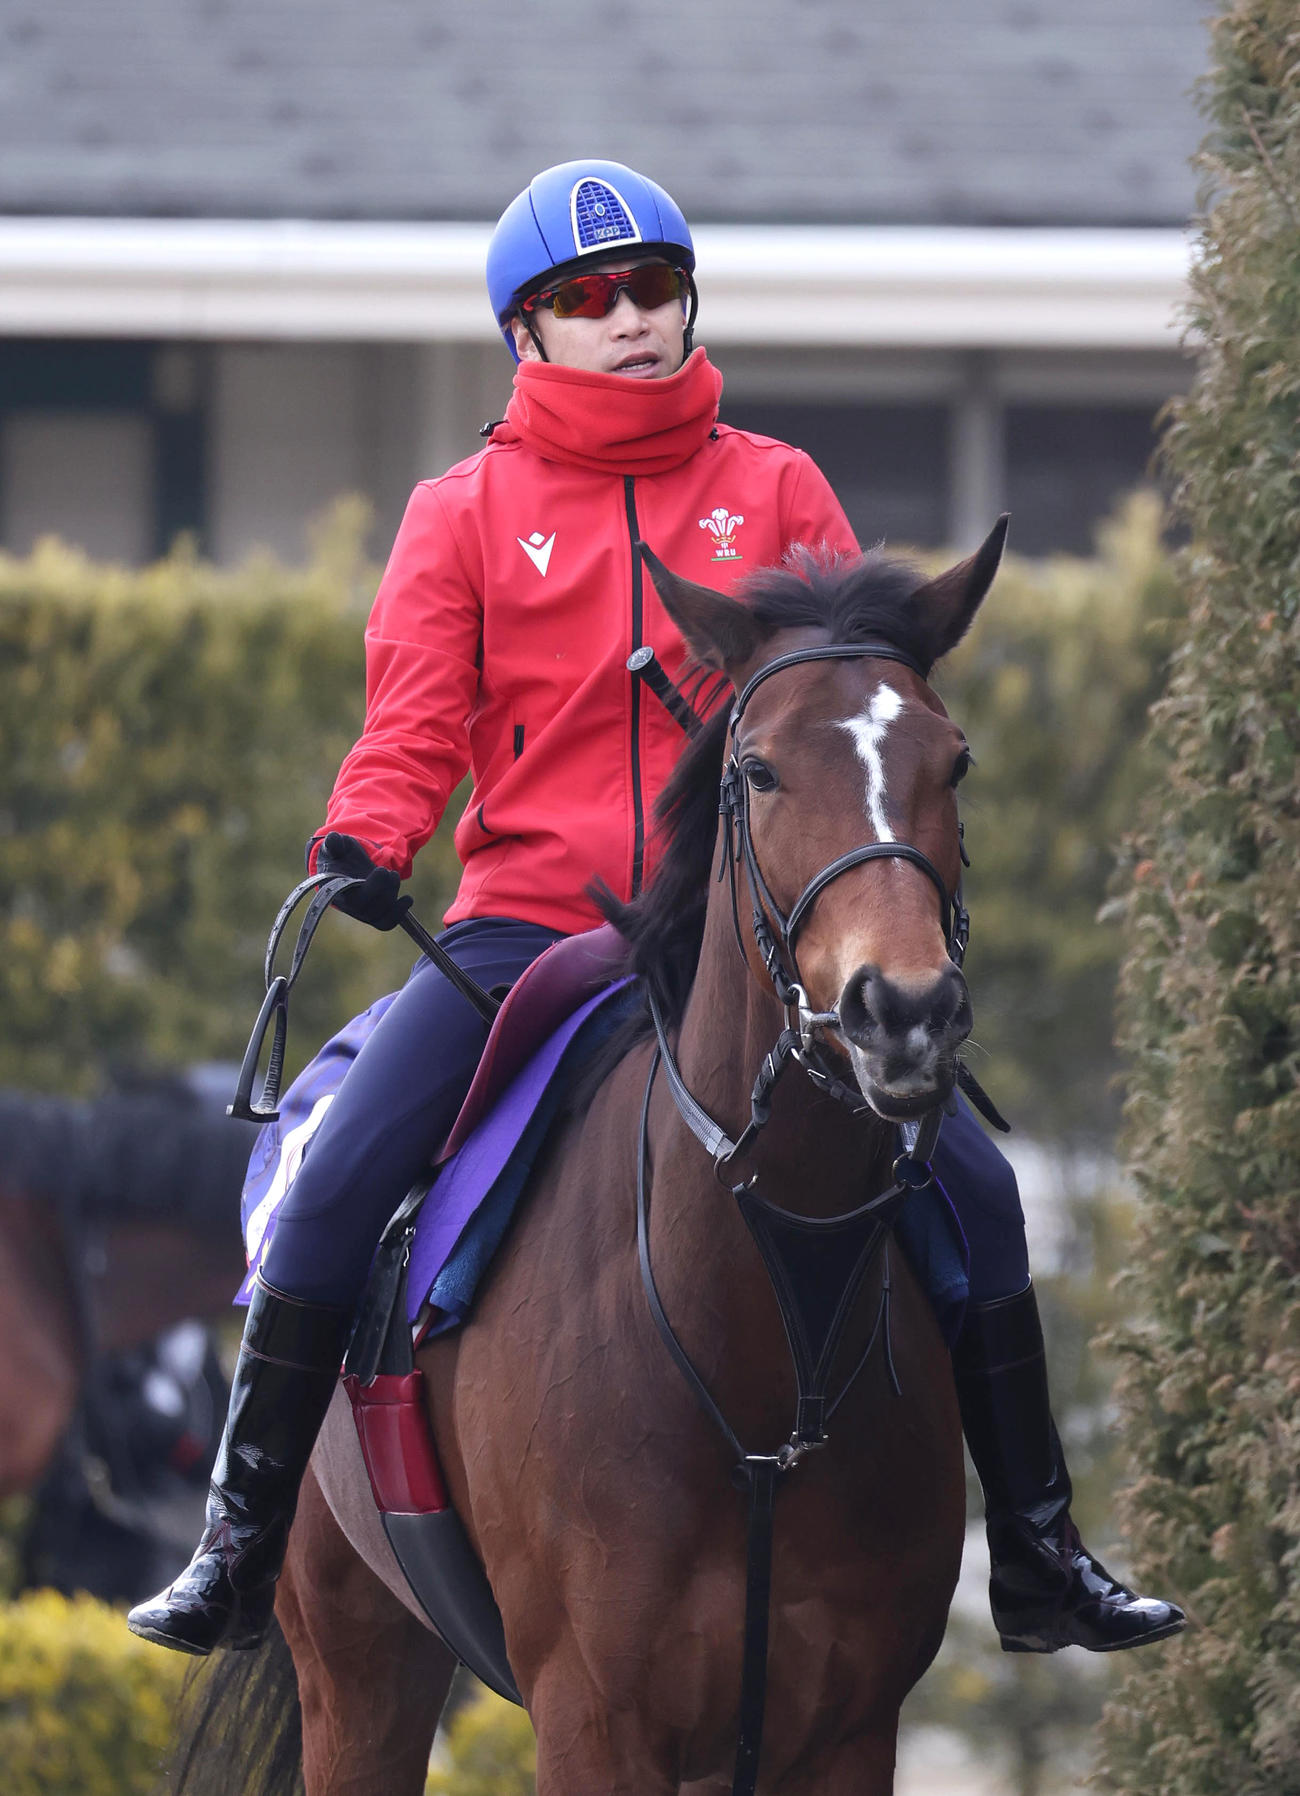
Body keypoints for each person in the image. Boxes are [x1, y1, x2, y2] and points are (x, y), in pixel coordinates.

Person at [128, 159, 1183, 1660]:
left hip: (740, 939)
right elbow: (414, 723)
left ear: (687, 305)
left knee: (981, 1188)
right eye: (585, 299)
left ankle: (1037, 1551)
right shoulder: (463, 511)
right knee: (339, 1171)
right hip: (524, 937)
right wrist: (366, 836)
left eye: (653, 289)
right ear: (527, 337)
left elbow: (850, 707)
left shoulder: (778, 489)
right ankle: (238, 1543)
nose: (628, 318)